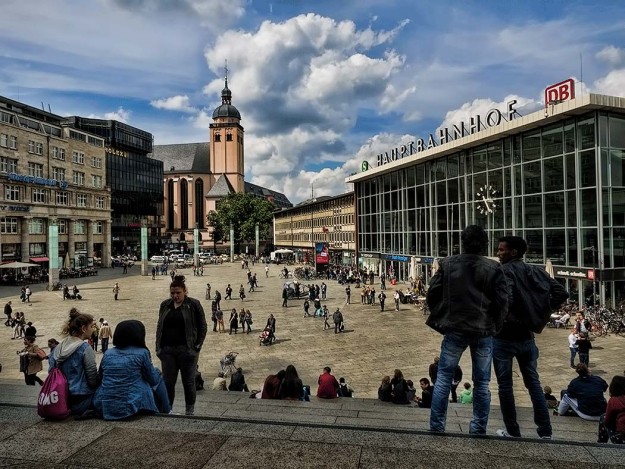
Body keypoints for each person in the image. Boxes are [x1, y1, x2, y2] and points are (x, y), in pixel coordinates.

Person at [426, 225, 509, 435]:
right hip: (483, 330)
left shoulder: (449, 263)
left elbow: (432, 293)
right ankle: (478, 428)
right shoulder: (494, 267)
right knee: (482, 383)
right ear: (485, 244)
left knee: (444, 378)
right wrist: (496, 325)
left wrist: (443, 314)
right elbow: (502, 302)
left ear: (463, 243)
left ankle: (437, 426)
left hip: (455, 328)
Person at [493, 235, 569, 440]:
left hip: (503, 337)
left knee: (505, 385)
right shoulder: (535, 270)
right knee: (533, 383)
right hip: (527, 337)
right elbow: (561, 292)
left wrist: (500, 319)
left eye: (501, 250)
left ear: (514, 252)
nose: (498, 253)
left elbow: (506, 300)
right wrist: (539, 314)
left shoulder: (504, 271)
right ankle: (545, 432)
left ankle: (512, 431)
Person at [93, 320, 171, 420]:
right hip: (131, 405)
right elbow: (153, 380)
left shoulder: (108, 353)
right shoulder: (142, 353)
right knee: (158, 377)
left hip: (105, 405)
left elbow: (101, 376)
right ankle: (168, 410)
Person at [156, 275, 207, 416]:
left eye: (178, 292)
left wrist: (197, 347)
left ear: (185, 291)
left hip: (187, 350)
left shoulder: (194, 305)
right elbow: (159, 326)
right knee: (168, 383)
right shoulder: (165, 305)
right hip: (167, 351)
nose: (175, 296)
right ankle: (168, 410)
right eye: (172, 293)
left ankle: (189, 411)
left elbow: (203, 327)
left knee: (189, 382)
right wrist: (158, 348)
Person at [48, 308, 98, 416]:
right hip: (80, 397)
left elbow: (51, 371)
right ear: (84, 328)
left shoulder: (58, 348)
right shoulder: (85, 348)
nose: (93, 329)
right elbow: (92, 379)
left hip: (60, 396)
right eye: (91, 326)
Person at [598, 375, 625, 444]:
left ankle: (601, 443)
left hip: (621, 438)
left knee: (603, 417)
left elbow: (607, 422)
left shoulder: (613, 400)